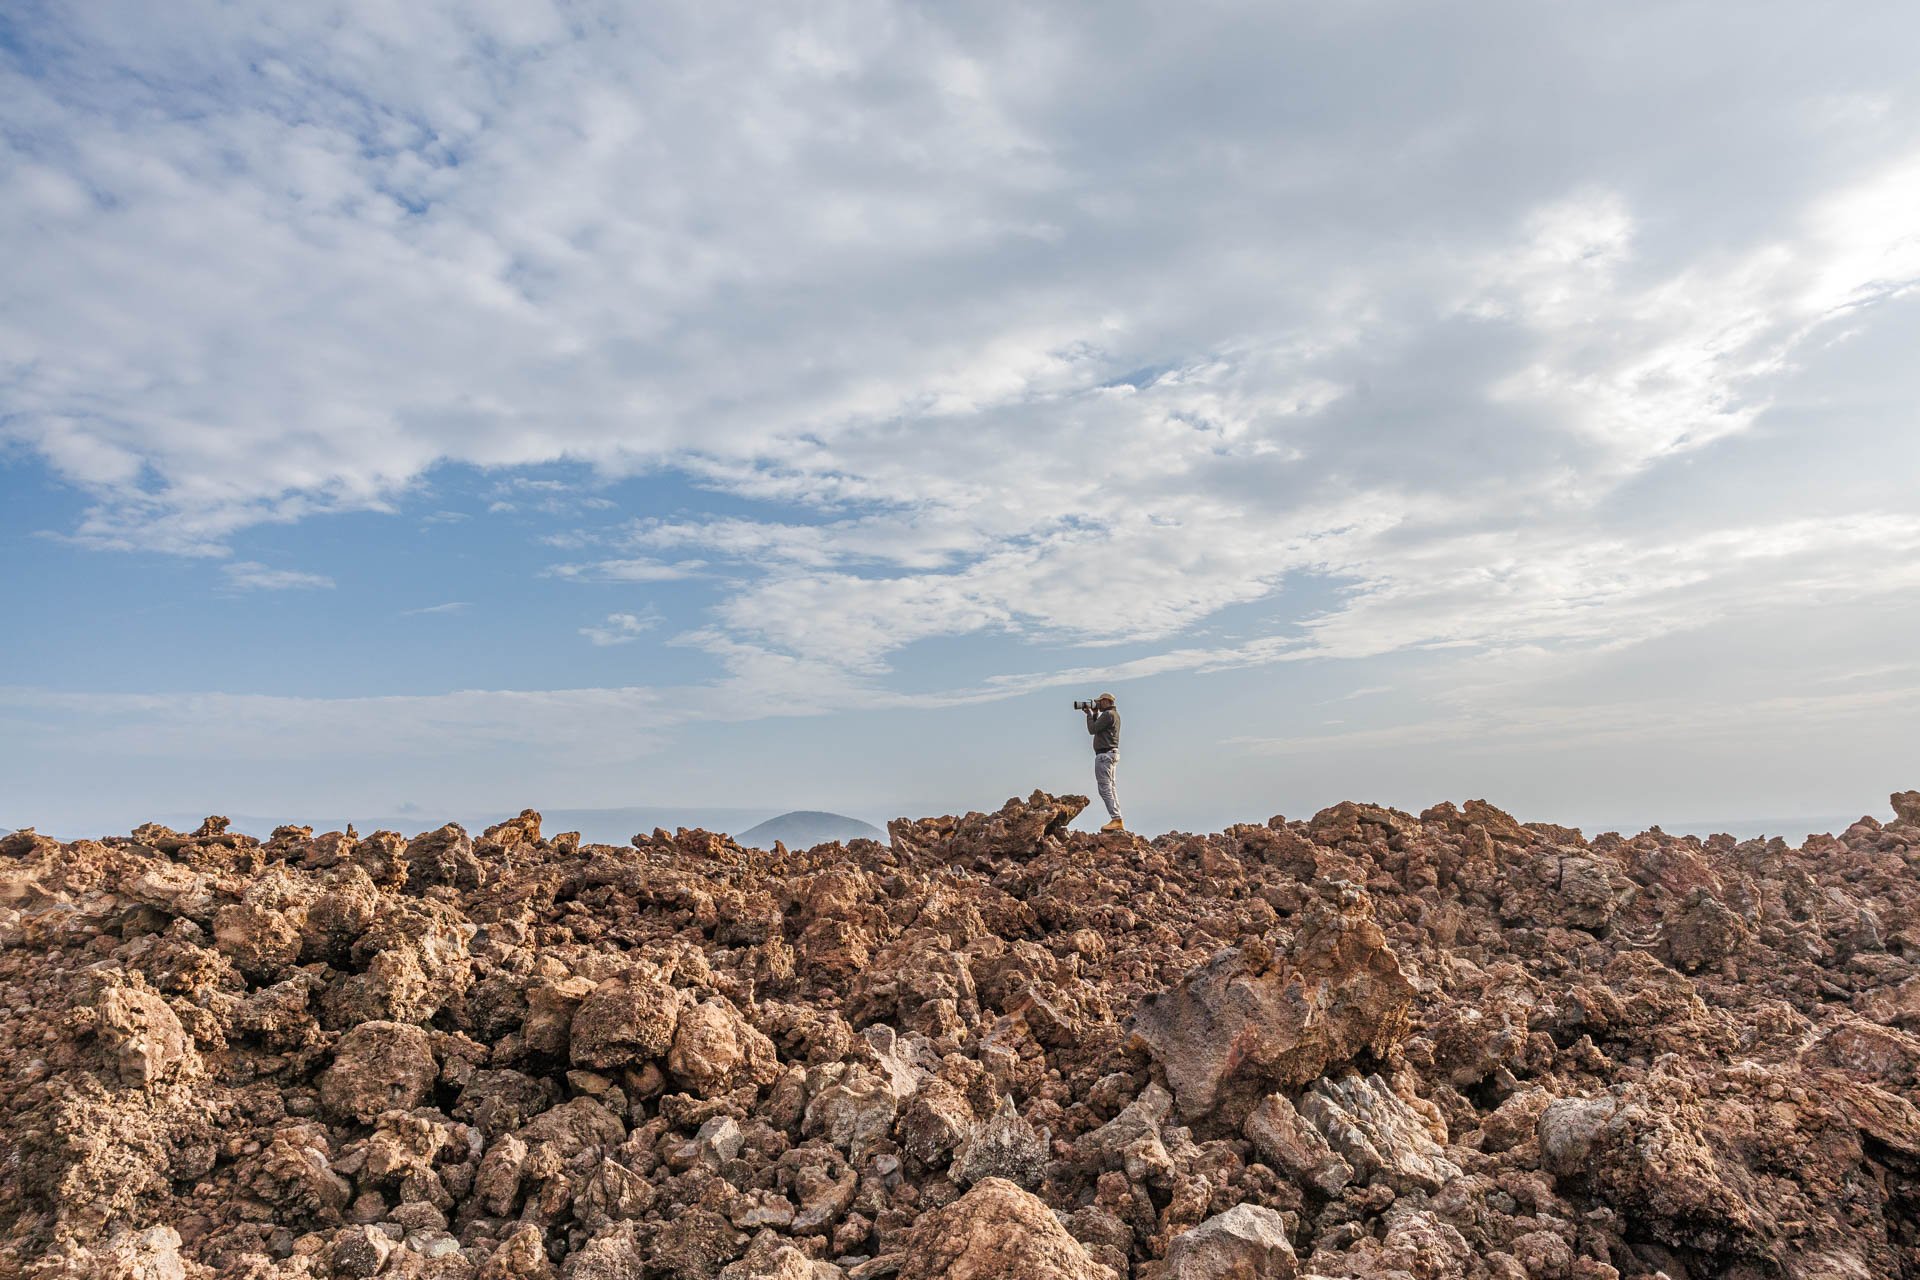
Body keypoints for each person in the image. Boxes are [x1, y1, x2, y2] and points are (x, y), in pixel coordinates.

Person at [1084, 692, 1124, 832]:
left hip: (1104, 755)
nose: (1098, 704)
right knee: (1111, 787)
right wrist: (1094, 714)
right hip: (1111, 754)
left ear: (1106, 701)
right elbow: (1097, 728)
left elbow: (1092, 729)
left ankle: (1116, 818)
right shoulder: (1114, 715)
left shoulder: (1108, 715)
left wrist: (1089, 714)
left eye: (1100, 702)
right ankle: (1117, 818)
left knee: (1105, 788)